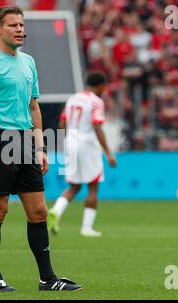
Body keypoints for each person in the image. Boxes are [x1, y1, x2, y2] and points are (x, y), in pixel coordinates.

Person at [0, 6, 82, 292]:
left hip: (26, 143)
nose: (20, 29)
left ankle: (48, 279)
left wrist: (41, 147)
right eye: (13, 25)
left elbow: (34, 106)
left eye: (22, 24)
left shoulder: (28, 62)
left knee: (39, 212)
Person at [48, 72, 117, 237]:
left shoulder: (73, 98)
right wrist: (108, 153)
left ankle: (56, 211)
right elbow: (97, 127)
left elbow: (62, 122)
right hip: (87, 143)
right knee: (93, 186)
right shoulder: (96, 101)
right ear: (100, 85)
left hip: (70, 142)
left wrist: (67, 142)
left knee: (74, 186)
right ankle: (86, 228)